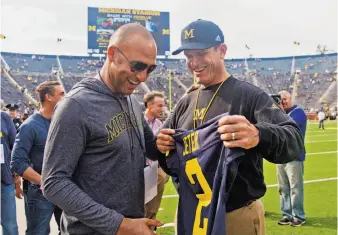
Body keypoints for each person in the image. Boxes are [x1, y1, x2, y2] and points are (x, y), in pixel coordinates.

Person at [156, 19, 304, 235]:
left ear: (222, 50)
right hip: (191, 211)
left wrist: (257, 134)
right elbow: (169, 159)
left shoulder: (249, 95)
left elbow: (294, 140)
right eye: (189, 57)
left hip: (235, 216)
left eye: (201, 53)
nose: (194, 63)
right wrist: (162, 147)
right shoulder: (185, 102)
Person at [41, 23, 165, 235]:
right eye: (137, 66)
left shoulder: (132, 102)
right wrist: (120, 225)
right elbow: (53, 182)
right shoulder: (76, 105)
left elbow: (153, 149)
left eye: (150, 69)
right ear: (113, 54)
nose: (143, 77)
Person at [10, 81, 65, 235]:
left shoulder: (61, 123)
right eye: (61, 94)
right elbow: (17, 162)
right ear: (48, 97)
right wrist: (44, 182)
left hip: (64, 188)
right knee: (38, 232)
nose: (65, 97)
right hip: (38, 191)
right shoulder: (29, 126)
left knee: (69, 230)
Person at [277, 90, 307, 226]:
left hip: (294, 155)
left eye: (285, 99)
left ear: (291, 99)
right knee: (283, 187)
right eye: (280, 99)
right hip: (280, 155)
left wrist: (279, 111)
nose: (282, 101)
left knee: (295, 187)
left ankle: (299, 216)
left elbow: (285, 126)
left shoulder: (299, 112)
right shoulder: (280, 113)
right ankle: (287, 214)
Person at [143, 91, 169, 223]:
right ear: (149, 105)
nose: (162, 109)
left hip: (153, 168)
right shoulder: (137, 122)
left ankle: (150, 226)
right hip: (138, 169)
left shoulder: (159, 123)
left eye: (163, 106)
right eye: (159, 106)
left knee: (152, 207)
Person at [1, 111, 19, 235]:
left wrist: (16, 175)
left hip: (4, 180)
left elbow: (15, 147)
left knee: (10, 225)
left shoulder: (4, 117)